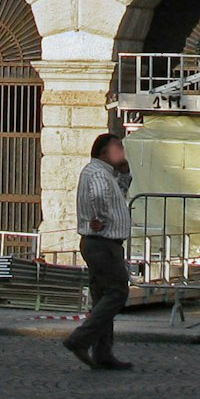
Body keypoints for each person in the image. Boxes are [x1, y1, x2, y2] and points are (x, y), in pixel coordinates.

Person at [65, 130, 134, 372]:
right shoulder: (96, 173)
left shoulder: (107, 173)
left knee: (103, 298)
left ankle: (103, 352)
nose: (122, 151)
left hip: (102, 242)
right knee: (117, 293)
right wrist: (99, 219)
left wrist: (124, 171)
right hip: (103, 242)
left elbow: (120, 192)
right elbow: (98, 198)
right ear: (103, 152)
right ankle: (80, 339)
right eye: (118, 147)